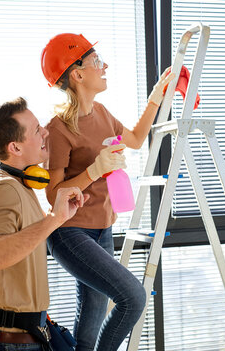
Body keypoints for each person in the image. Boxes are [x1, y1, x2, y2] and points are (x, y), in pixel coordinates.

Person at [40, 33, 175, 351]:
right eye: (96, 61)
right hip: (70, 234)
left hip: (103, 227)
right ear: (77, 74)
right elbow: (52, 195)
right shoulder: (58, 130)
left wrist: (155, 96)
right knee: (132, 297)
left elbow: (137, 139)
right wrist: (95, 170)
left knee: (90, 326)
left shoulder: (101, 112)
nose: (105, 66)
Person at [0, 97, 88, 351]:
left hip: (25, 338)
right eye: (37, 129)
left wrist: (58, 217)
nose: (45, 131)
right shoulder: (2, 188)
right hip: (10, 344)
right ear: (15, 147)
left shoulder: (21, 186)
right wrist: (53, 219)